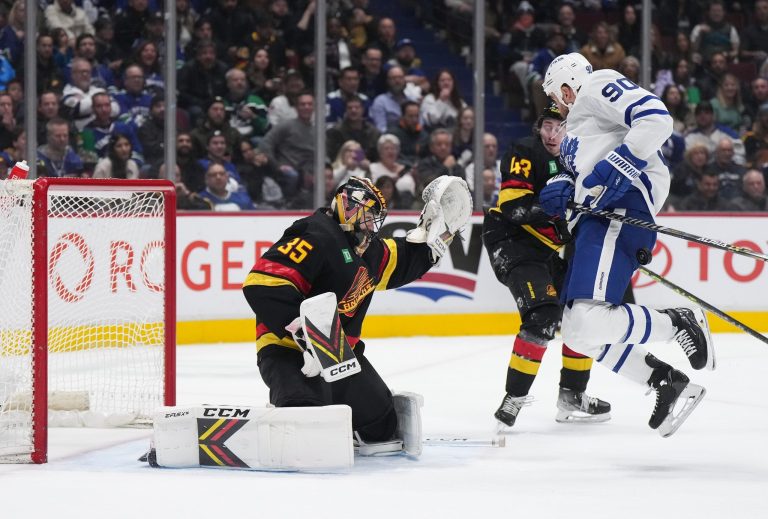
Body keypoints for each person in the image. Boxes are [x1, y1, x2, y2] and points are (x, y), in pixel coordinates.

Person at [537, 53, 715, 437]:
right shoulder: (575, 135)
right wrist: (563, 191)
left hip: (621, 208)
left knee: (584, 319)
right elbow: (587, 180)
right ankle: (663, 380)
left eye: (557, 93)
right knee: (577, 330)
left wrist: (622, 162)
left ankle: (678, 322)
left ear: (568, 84)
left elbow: (655, 117)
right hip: (596, 219)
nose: (558, 102)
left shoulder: (598, 84)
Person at [242, 176, 466, 452]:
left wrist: (435, 236)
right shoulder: (314, 234)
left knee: (381, 426)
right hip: (289, 352)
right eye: (369, 215)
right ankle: (290, 404)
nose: (372, 225)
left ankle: (335, 414)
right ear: (350, 206)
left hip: (341, 358)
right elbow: (263, 284)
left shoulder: (368, 250)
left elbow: (401, 260)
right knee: (305, 423)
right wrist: (304, 334)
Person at [483, 103, 611, 428]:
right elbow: (512, 208)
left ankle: (572, 394)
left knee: (582, 311)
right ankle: (513, 397)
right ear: (539, 127)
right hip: (512, 240)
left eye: (561, 126)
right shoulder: (525, 151)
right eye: (548, 126)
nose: (553, 134)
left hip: (548, 249)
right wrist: (554, 206)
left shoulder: (580, 161)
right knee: (542, 316)